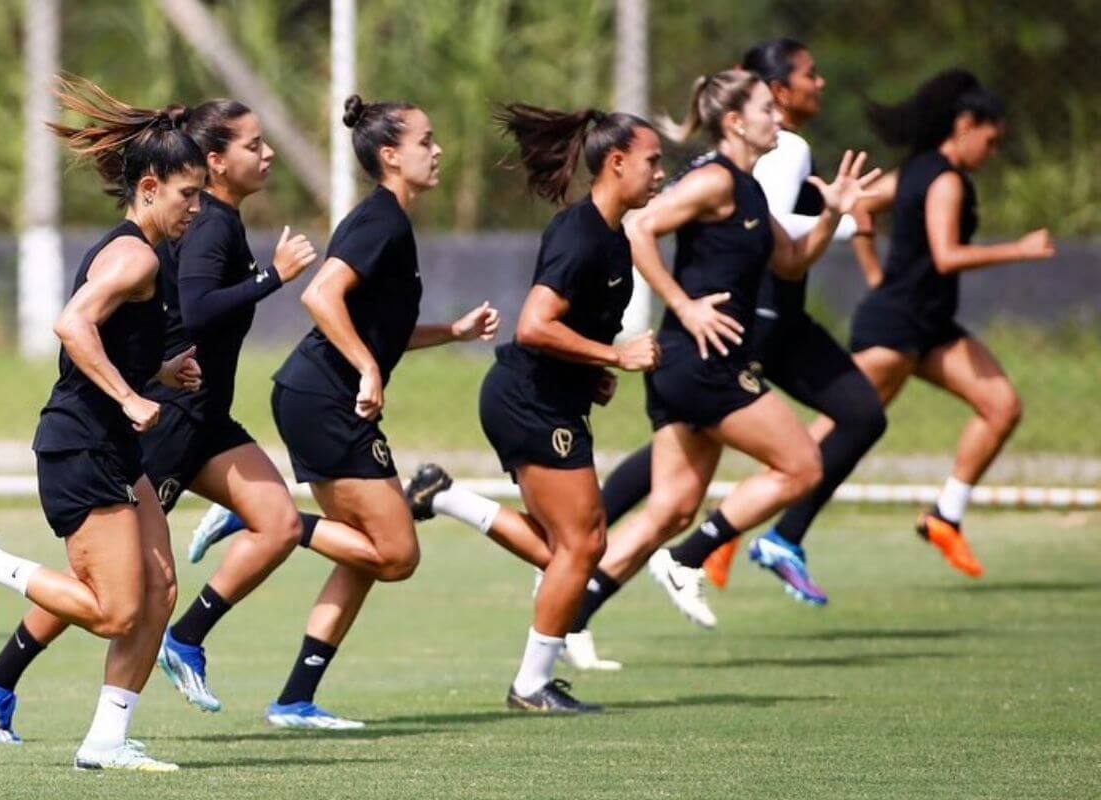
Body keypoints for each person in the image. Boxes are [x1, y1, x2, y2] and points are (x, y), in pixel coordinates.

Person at [0, 77, 207, 771]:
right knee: (113, 611)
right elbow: (70, 325)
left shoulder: (147, 253)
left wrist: (156, 375)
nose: (197, 207)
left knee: (161, 590)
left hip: (108, 444)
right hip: (79, 445)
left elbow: (103, 341)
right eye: (189, 194)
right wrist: (133, 401)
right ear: (152, 187)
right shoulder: (134, 253)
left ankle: (106, 741)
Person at [594, 39, 888, 610]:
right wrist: (684, 305)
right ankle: (688, 557)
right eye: (765, 110)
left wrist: (833, 214)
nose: (776, 118)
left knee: (673, 506)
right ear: (734, 120)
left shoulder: (749, 186)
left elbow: (792, 261)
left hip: (701, 362)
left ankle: (565, 620)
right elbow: (637, 229)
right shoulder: (717, 180)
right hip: (700, 359)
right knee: (802, 465)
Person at [416, 103, 665, 709]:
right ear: (617, 162)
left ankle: (443, 495)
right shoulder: (581, 236)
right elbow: (533, 326)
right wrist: (615, 358)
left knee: (568, 551)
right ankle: (530, 686)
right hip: (528, 401)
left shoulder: (610, 237)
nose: (661, 174)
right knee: (583, 545)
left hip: (547, 400)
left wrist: (591, 373)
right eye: (654, 162)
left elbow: (567, 329)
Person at [261, 94, 499, 728]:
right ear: (391, 155)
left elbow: (380, 328)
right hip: (324, 397)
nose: (438, 148)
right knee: (396, 555)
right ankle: (270, 524)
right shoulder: (382, 220)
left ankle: (294, 700)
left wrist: (452, 331)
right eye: (426, 140)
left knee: (365, 554)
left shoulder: (392, 221)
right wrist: (367, 369)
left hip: (320, 396)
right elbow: (320, 296)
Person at [843, 69, 1055, 576]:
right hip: (895, 327)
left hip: (930, 327)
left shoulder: (918, 169)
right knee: (830, 437)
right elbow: (945, 255)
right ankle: (731, 525)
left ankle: (946, 517)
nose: (993, 151)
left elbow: (862, 204)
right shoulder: (942, 178)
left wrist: (875, 270)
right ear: (965, 124)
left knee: (1001, 406)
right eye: (992, 138)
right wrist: (1019, 250)